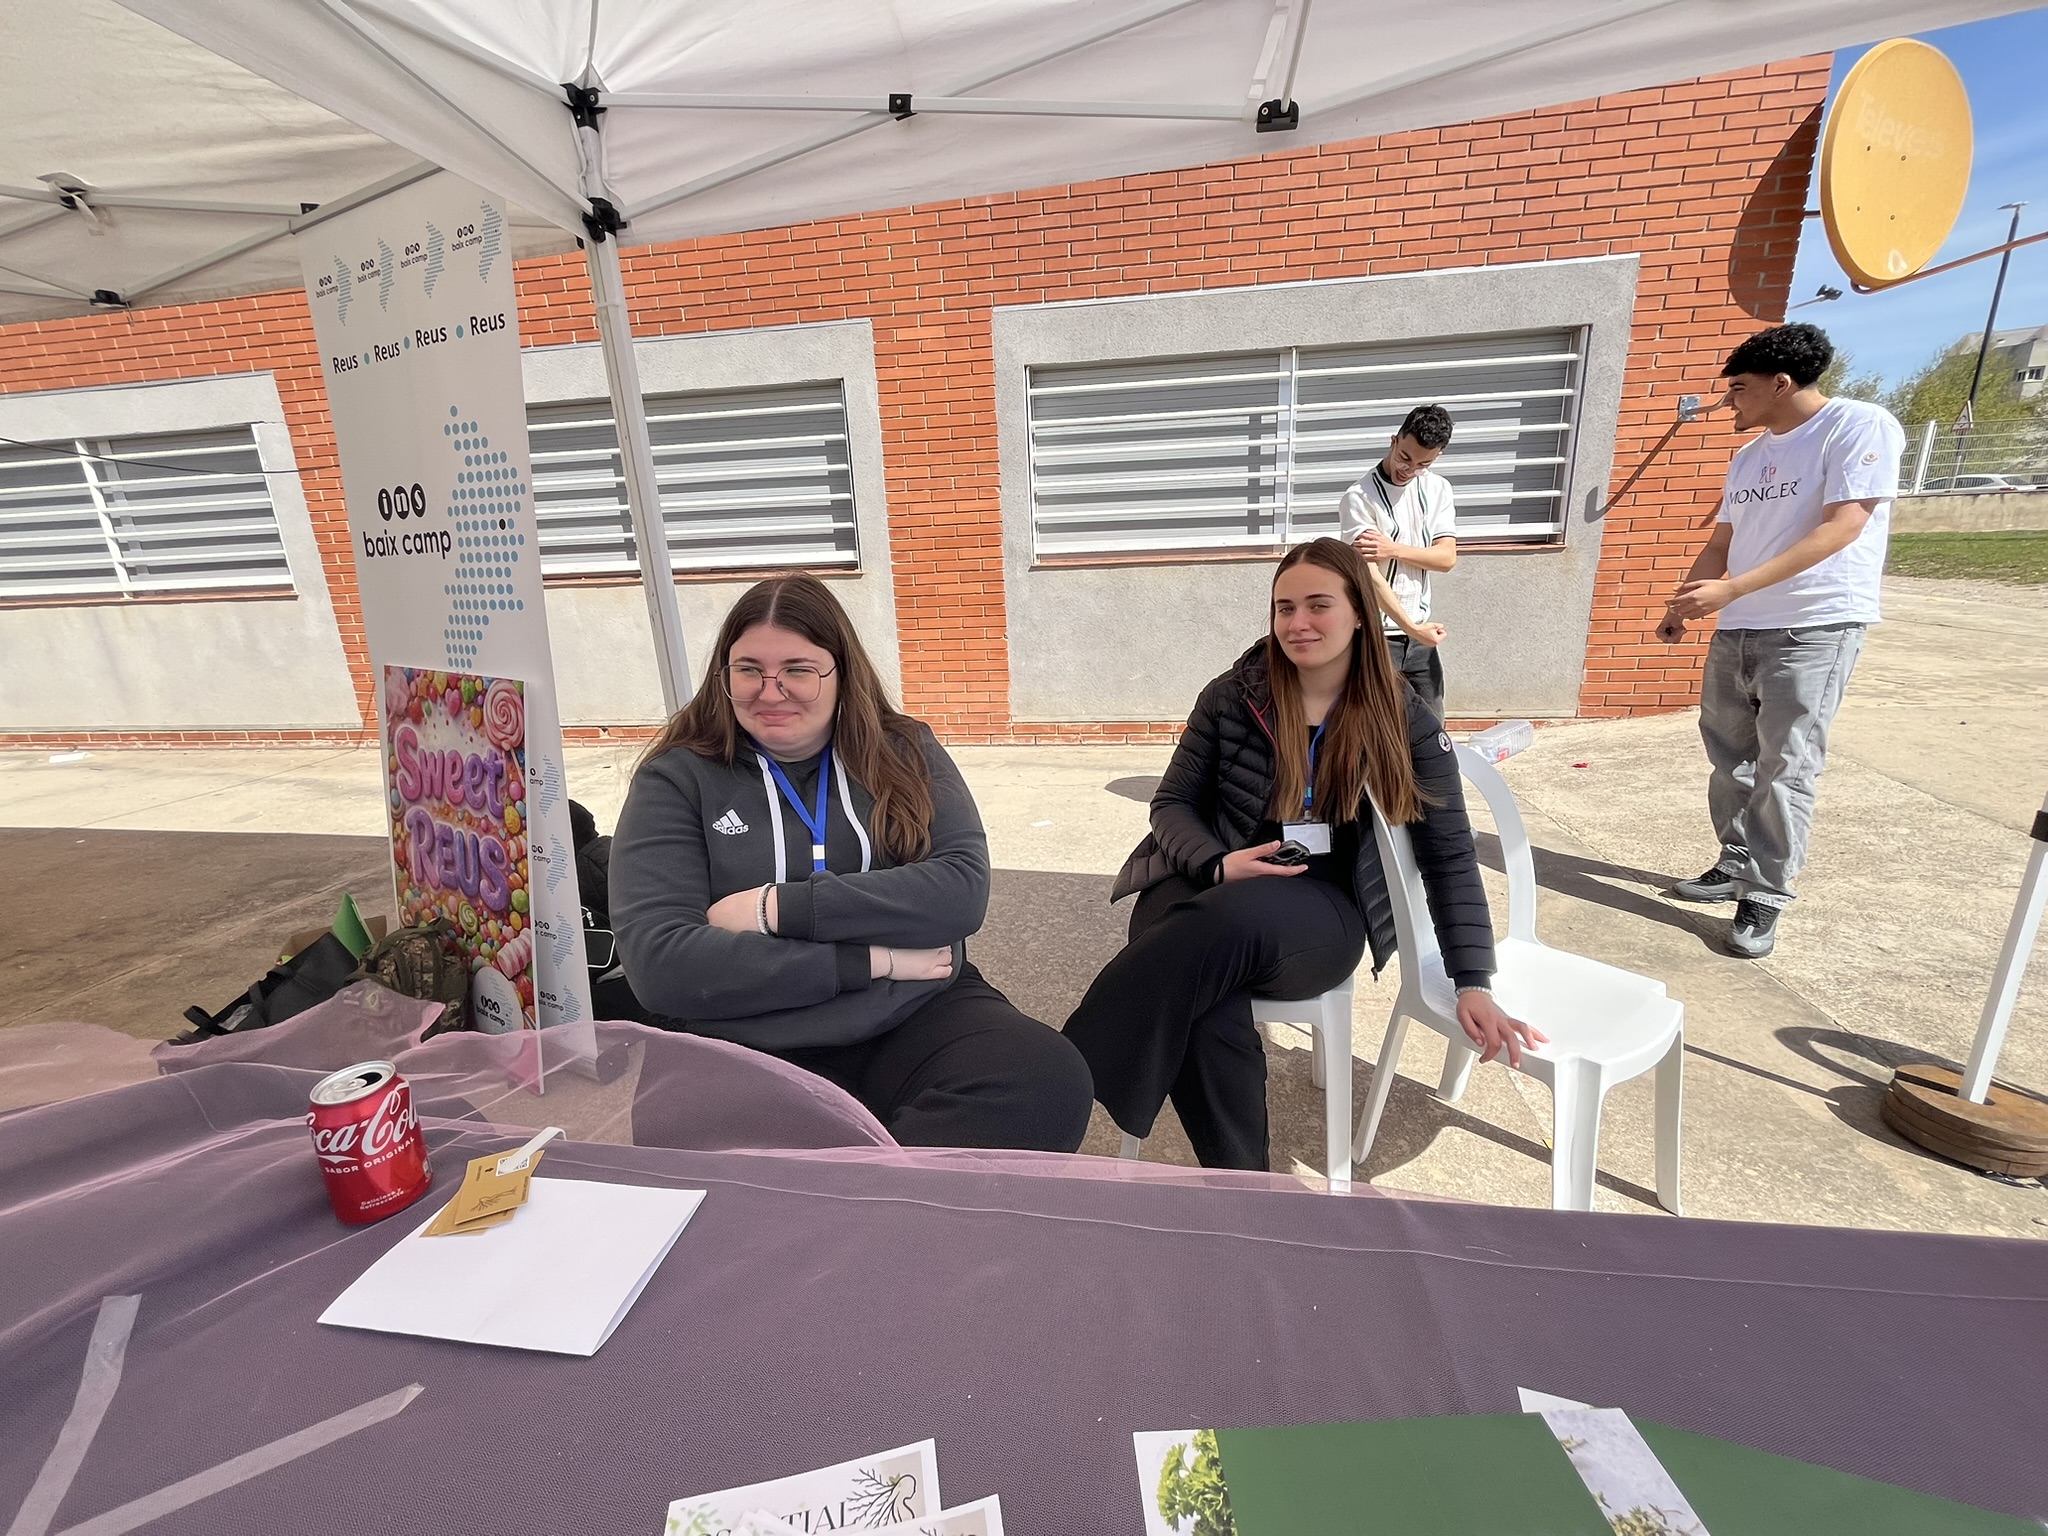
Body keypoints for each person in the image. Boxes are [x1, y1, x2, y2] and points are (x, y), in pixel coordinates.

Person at [1062, 537, 1541, 1171]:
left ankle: (1066, 1072)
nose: (1297, 623)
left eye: (1319, 605)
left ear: (1360, 613)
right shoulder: (1233, 695)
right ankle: (1247, 1189)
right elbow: (1172, 803)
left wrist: (1472, 980)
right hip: (1206, 874)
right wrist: (1218, 865)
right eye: (1284, 608)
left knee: (1216, 928)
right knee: (1207, 1004)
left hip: (1319, 906)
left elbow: (1448, 855)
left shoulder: (1403, 718)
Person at [609, 574, 1093, 1151]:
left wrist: (774, 909)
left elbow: (960, 891)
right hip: (745, 1031)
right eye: (748, 670)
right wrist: (871, 960)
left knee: (1046, 1080)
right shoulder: (676, 777)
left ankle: (868, 1193)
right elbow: (661, 963)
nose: (770, 692)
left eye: (798, 669)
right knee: (725, 1152)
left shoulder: (903, 749)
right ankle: (878, 1193)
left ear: (841, 672)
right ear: (724, 676)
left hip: (911, 1009)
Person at [1658, 322, 1905, 959]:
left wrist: (1733, 589)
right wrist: (1684, 605)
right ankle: (1735, 862)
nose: (1728, 402)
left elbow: (1843, 527)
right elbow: (1722, 542)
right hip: (1738, 626)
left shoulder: (1857, 426)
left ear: (1781, 383)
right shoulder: (1747, 457)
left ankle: (1766, 892)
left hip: (1812, 625)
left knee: (1786, 765)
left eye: (1738, 388)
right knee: (1729, 758)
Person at [1337, 403, 1459, 717]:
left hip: (1421, 637)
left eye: (1423, 463)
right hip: (1374, 636)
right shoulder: (1359, 497)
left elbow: (1446, 558)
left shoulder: (1438, 489)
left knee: (1432, 729)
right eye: (1405, 457)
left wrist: (1393, 549)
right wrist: (1411, 627)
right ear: (1394, 440)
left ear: (1438, 456)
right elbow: (1370, 577)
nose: (1409, 469)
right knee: (1374, 728)